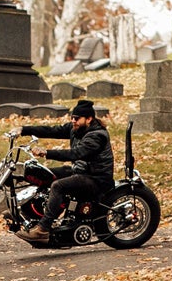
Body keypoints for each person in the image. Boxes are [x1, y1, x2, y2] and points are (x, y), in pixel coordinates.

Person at [16, 100, 115, 243]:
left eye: (77, 118)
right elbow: (52, 130)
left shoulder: (97, 135)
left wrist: (47, 152)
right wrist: (24, 130)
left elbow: (76, 153)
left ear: (89, 119)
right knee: (43, 174)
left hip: (96, 178)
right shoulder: (76, 129)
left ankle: (43, 230)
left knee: (58, 185)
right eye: (72, 117)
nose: (73, 121)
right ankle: (31, 215)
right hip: (81, 171)